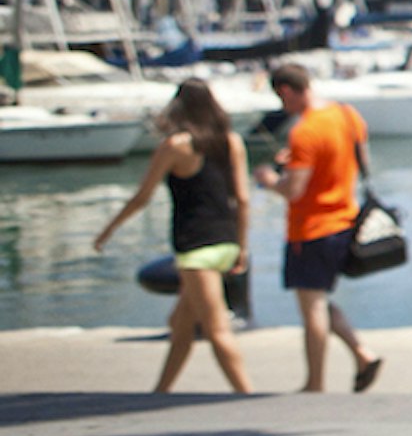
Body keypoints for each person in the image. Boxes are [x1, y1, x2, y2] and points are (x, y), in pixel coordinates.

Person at [95, 79, 253, 394]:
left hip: (196, 246)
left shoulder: (175, 146)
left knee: (216, 330)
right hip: (225, 240)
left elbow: (142, 197)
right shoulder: (231, 141)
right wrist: (242, 247)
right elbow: (243, 199)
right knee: (181, 326)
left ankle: (248, 395)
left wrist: (109, 229)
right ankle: (160, 393)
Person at [253, 62, 383, 393]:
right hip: (346, 219)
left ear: (286, 91)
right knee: (321, 299)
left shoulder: (305, 131)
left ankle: (315, 383)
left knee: (311, 307)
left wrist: (269, 181)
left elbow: (293, 189)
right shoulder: (346, 115)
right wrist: (297, 162)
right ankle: (361, 354)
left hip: (312, 228)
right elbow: (360, 160)